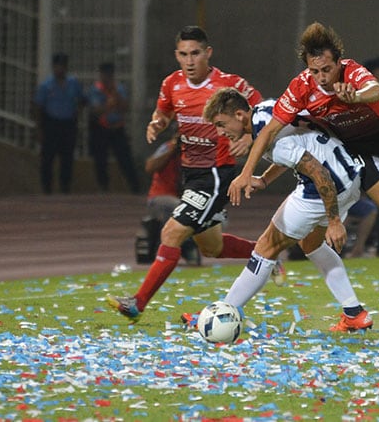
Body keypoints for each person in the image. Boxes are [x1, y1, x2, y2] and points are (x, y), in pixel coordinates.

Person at [229, 22, 379, 305]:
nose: (321, 77)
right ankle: (352, 309)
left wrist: (355, 96)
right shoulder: (300, 87)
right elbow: (271, 129)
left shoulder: (351, 71)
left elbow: (378, 91)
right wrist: (247, 173)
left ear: (338, 61)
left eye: (327, 69)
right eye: (314, 70)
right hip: (354, 146)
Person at [107, 25, 273, 322]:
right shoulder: (172, 83)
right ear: (177, 55)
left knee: (170, 232)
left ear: (208, 53)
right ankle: (264, 253)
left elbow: (263, 112)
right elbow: (164, 112)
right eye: (183, 54)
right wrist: (156, 123)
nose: (189, 60)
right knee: (212, 247)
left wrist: (249, 137)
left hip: (216, 174)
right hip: (191, 176)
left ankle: (137, 303)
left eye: (195, 53)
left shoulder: (228, 84)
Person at [194, 88, 378, 331]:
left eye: (221, 124)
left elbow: (316, 171)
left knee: (266, 247)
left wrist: (334, 220)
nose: (220, 132)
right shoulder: (268, 110)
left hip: (324, 185)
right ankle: (354, 312)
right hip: (348, 178)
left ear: (239, 115)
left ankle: (223, 314)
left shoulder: (268, 137)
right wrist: (265, 180)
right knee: (311, 244)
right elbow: (295, 151)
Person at [33, 52, 86, 194]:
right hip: (51, 124)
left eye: (62, 66)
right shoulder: (46, 86)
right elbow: (38, 107)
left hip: (68, 124)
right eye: (57, 66)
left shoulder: (73, 83)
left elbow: (81, 100)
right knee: (47, 159)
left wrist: (76, 116)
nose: (60, 69)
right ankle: (47, 189)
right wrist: (39, 128)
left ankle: (65, 188)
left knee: (67, 158)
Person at [143, 132, 199, 265]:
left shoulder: (195, 153)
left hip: (183, 198)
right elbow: (150, 167)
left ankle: (188, 246)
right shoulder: (167, 147)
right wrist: (173, 149)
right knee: (179, 207)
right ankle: (184, 247)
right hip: (160, 196)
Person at [87, 62, 141, 194]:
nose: (107, 78)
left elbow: (124, 107)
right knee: (101, 160)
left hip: (117, 128)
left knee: (125, 159)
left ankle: (135, 188)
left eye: (109, 75)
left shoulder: (119, 88)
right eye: (104, 75)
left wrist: (115, 96)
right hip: (101, 128)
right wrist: (110, 104)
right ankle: (103, 187)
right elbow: (96, 110)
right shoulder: (96, 89)